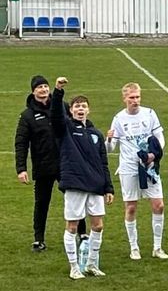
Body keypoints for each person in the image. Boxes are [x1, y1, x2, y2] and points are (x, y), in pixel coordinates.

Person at [49, 77, 114, 279]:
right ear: (71, 110)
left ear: (89, 110)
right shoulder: (65, 129)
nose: (80, 109)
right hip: (75, 184)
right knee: (72, 226)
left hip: (95, 185)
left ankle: (91, 264)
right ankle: (74, 267)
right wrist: (58, 91)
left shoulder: (96, 134)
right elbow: (56, 116)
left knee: (98, 226)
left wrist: (108, 187)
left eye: (84, 106)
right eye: (77, 106)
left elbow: (103, 162)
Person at [15, 74, 86, 251]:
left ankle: (82, 234)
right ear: (33, 91)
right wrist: (21, 168)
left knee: (75, 197)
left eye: (45, 86)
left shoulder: (62, 106)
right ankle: (38, 239)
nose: (44, 89)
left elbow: (78, 124)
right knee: (42, 202)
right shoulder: (27, 116)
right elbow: (21, 143)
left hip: (65, 162)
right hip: (43, 165)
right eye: (39, 87)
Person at [107, 82, 168, 261]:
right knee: (131, 207)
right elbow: (110, 148)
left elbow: (160, 138)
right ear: (124, 98)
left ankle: (157, 247)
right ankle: (134, 248)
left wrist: (153, 154)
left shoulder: (149, 114)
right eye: (132, 97)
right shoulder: (119, 118)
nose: (135, 100)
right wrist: (108, 140)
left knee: (159, 205)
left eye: (137, 97)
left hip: (149, 165)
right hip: (129, 167)